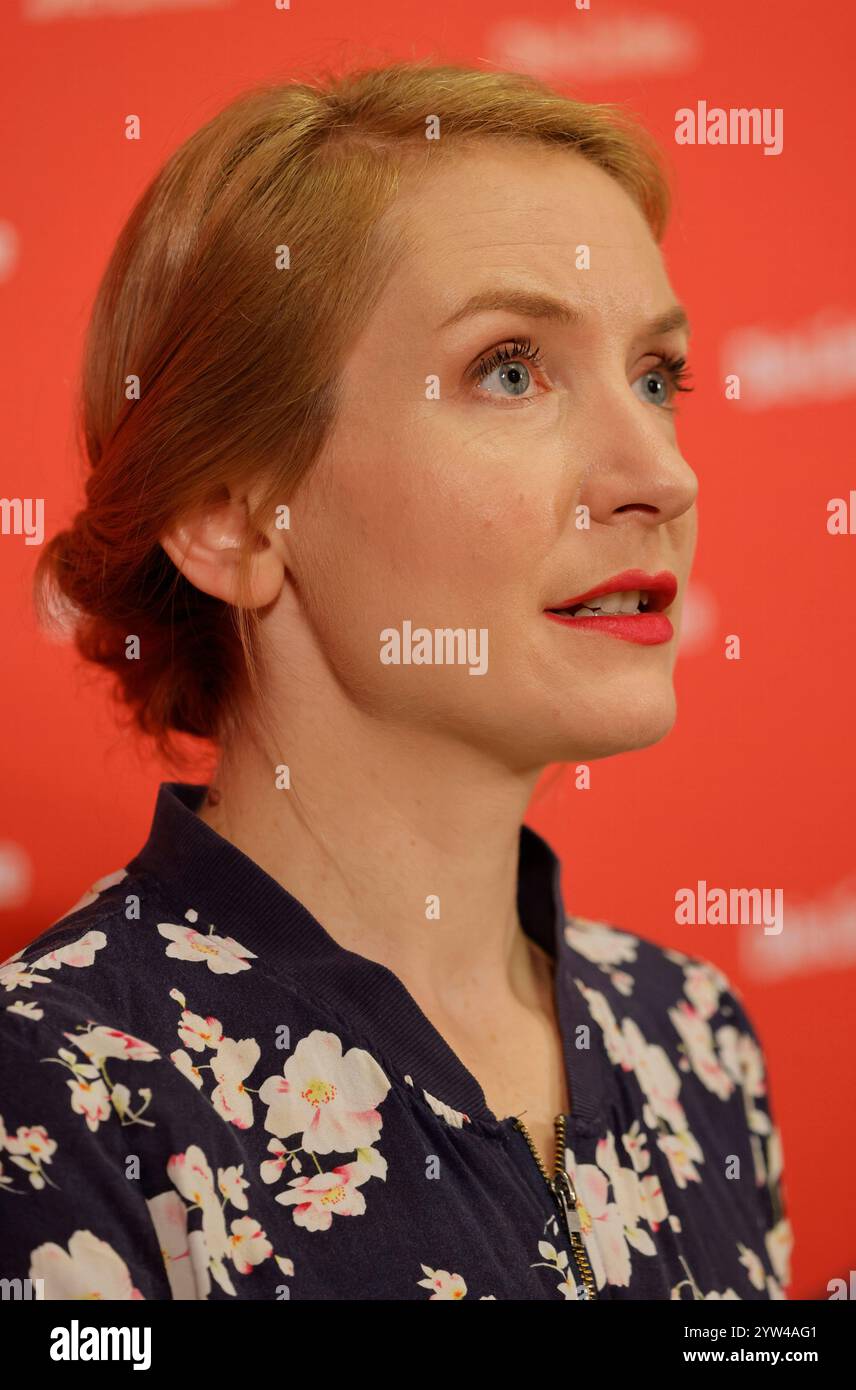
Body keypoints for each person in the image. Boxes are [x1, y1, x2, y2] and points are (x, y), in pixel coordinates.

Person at [1, 60, 792, 1300]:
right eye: (511, 369)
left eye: (656, 377)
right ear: (233, 518)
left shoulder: (689, 1034)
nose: (662, 475)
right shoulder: (63, 1087)